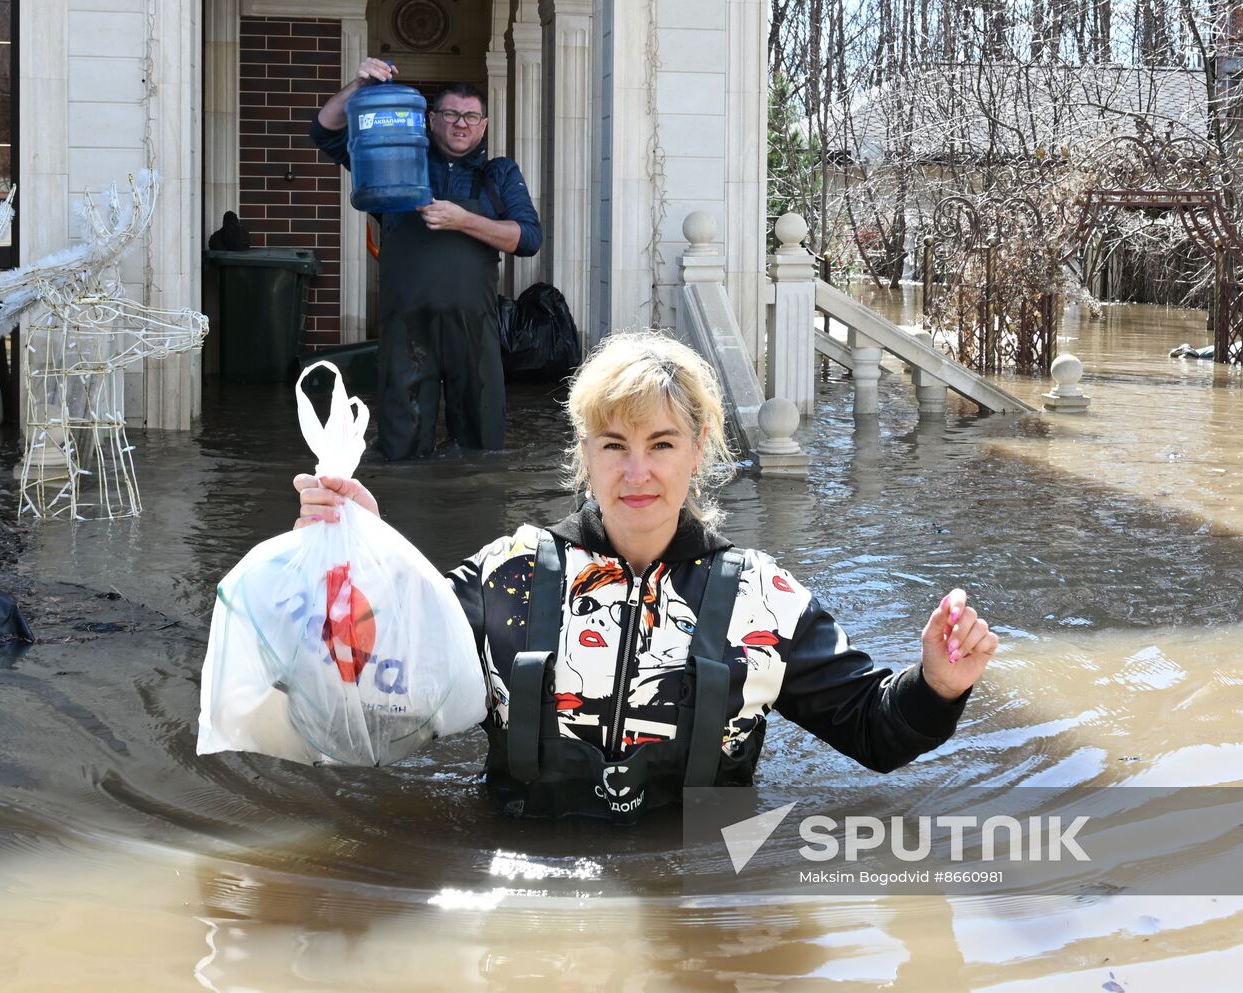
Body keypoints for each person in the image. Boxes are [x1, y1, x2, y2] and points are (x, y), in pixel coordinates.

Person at [294, 331, 997, 821]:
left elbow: (875, 730)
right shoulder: (507, 574)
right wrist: (355, 557)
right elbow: (380, 675)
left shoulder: (764, 599)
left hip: (701, 895)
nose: (637, 472)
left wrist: (937, 683)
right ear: (585, 453)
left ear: (698, 449)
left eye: (661, 444)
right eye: (614, 445)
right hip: (530, 884)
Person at [311, 60, 543, 460]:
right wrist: (359, 86)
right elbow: (324, 132)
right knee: (401, 448)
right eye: (450, 114)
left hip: (474, 330)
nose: (461, 124)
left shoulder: (498, 174)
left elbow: (528, 238)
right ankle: (406, 493)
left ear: (484, 126)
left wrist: (463, 220)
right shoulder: (398, 164)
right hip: (407, 327)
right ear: (431, 120)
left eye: (471, 117)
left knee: (482, 448)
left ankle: (473, 496)